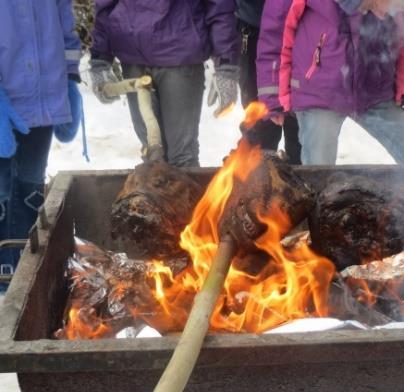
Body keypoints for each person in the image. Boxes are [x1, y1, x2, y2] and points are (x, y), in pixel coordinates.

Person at [257, 0, 404, 165]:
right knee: (318, 174)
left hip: (375, 92)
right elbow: (275, 34)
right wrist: (273, 96)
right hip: (320, 93)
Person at [89, 0, 240, 168]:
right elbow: (104, 6)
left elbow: (219, 6)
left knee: (182, 157)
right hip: (132, 53)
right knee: (151, 154)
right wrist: (100, 59)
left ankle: (184, 193)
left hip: (180, 53)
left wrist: (226, 65)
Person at [0, 0, 82, 281]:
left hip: (43, 102)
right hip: (5, 99)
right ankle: (3, 274)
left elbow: (65, 28)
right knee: (1, 192)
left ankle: (26, 274)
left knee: (30, 188)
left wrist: (70, 80)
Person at [236, 0, 302, 164]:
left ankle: (300, 183)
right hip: (254, 31)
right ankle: (256, 182)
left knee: (301, 131)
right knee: (261, 130)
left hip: (306, 32)